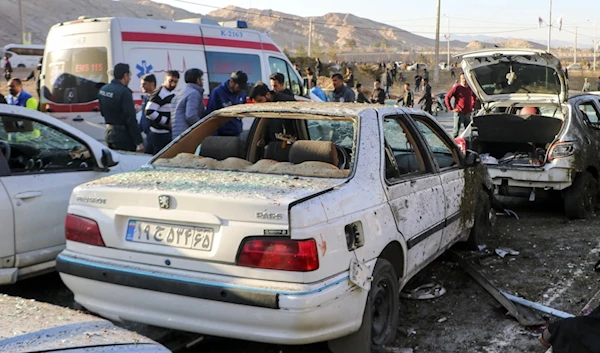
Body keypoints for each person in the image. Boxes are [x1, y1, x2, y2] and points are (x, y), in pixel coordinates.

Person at [98, 63, 143, 152]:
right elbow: (131, 119)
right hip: (123, 137)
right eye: (129, 75)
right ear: (125, 75)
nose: (130, 78)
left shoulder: (104, 89)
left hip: (109, 134)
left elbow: (103, 112)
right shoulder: (124, 92)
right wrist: (139, 141)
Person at [144, 70, 178, 154]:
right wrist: (167, 122)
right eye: (170, 81)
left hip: (165, 133)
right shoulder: (159, 93)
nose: (173, 84)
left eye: (175, 82)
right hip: (158, 135)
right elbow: (149, 111)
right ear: (165, 79)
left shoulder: (170, 92)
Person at [205, 70, 248, 136]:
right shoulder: (217, 92)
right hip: (222, 135)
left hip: (237, 132)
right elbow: (210, 115)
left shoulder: (241, 92)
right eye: (239, 87)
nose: (240, 90)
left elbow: (244, 105)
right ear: (231, 82)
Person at [172, 68, 205, 138]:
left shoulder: (179, 93)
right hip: (187, 136)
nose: (202, 81)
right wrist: (202, 127)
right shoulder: (193, 93)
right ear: (198, 80)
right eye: (201, 79)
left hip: (177, 135)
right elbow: (191, 116)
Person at [445, 73, 478, 138]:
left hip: (468, 112)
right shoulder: (457, 87)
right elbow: (447, 97)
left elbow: (474, 97)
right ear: (460, 79)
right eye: (463, 78)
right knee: (456, 131)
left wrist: (473, 106)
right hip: (459, 112)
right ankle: (453, 145)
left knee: (468, 132)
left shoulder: (470, 88)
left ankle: (467, 145)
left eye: (465, 78)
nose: (464, 80)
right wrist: (451, 108)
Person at [138, 73, 156, 146]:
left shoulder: (157, 98)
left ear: (152, 84)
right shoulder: (146, 98)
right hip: (147, 135)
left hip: (154, 135)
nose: (142, 86)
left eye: (144, 84)